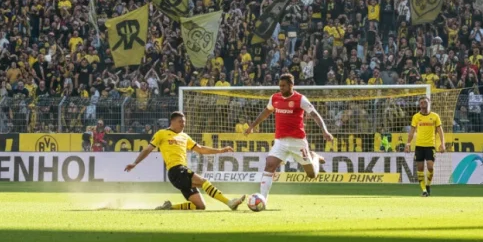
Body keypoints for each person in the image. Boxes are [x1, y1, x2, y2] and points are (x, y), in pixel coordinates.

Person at [244, 73, 335, 205]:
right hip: (280, 141)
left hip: (298, 142)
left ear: (291, 85)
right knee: (269, 165)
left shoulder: (300, 99)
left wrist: (325, 131)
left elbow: (315, 115)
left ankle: (314, 157)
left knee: (311, 175)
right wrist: (252, 126)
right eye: (280, 85)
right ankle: (263, 200)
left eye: (284, 86)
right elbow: (266, 112)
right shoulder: (275, 98)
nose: (281, 88)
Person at [125, 111, 245, 211]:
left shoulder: (185, 136)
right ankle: (229, 202)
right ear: (172, 121)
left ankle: (170, 207)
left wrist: (220, 151)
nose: (183, 124)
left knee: (200, 206)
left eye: (184, 122)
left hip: (181, 173)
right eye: (180, 122)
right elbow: (148, 149)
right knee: (204, 181)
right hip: (176, 170)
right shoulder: (162, 134)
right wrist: (135, 163)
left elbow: (201, 149)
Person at [405, 96, 445, 197]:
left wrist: (442, 143)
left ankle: (428, 186)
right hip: (419, 146)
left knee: (430, 167)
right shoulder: (416, 117)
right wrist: (408, 143)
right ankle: (424, 190)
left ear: (429, 102)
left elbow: (440, 131)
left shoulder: (435, 116)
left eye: (424, 102)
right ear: (419, 104)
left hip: (430, 145)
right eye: (421, 102)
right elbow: (412, 131)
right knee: (420, 168)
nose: (422, 103)